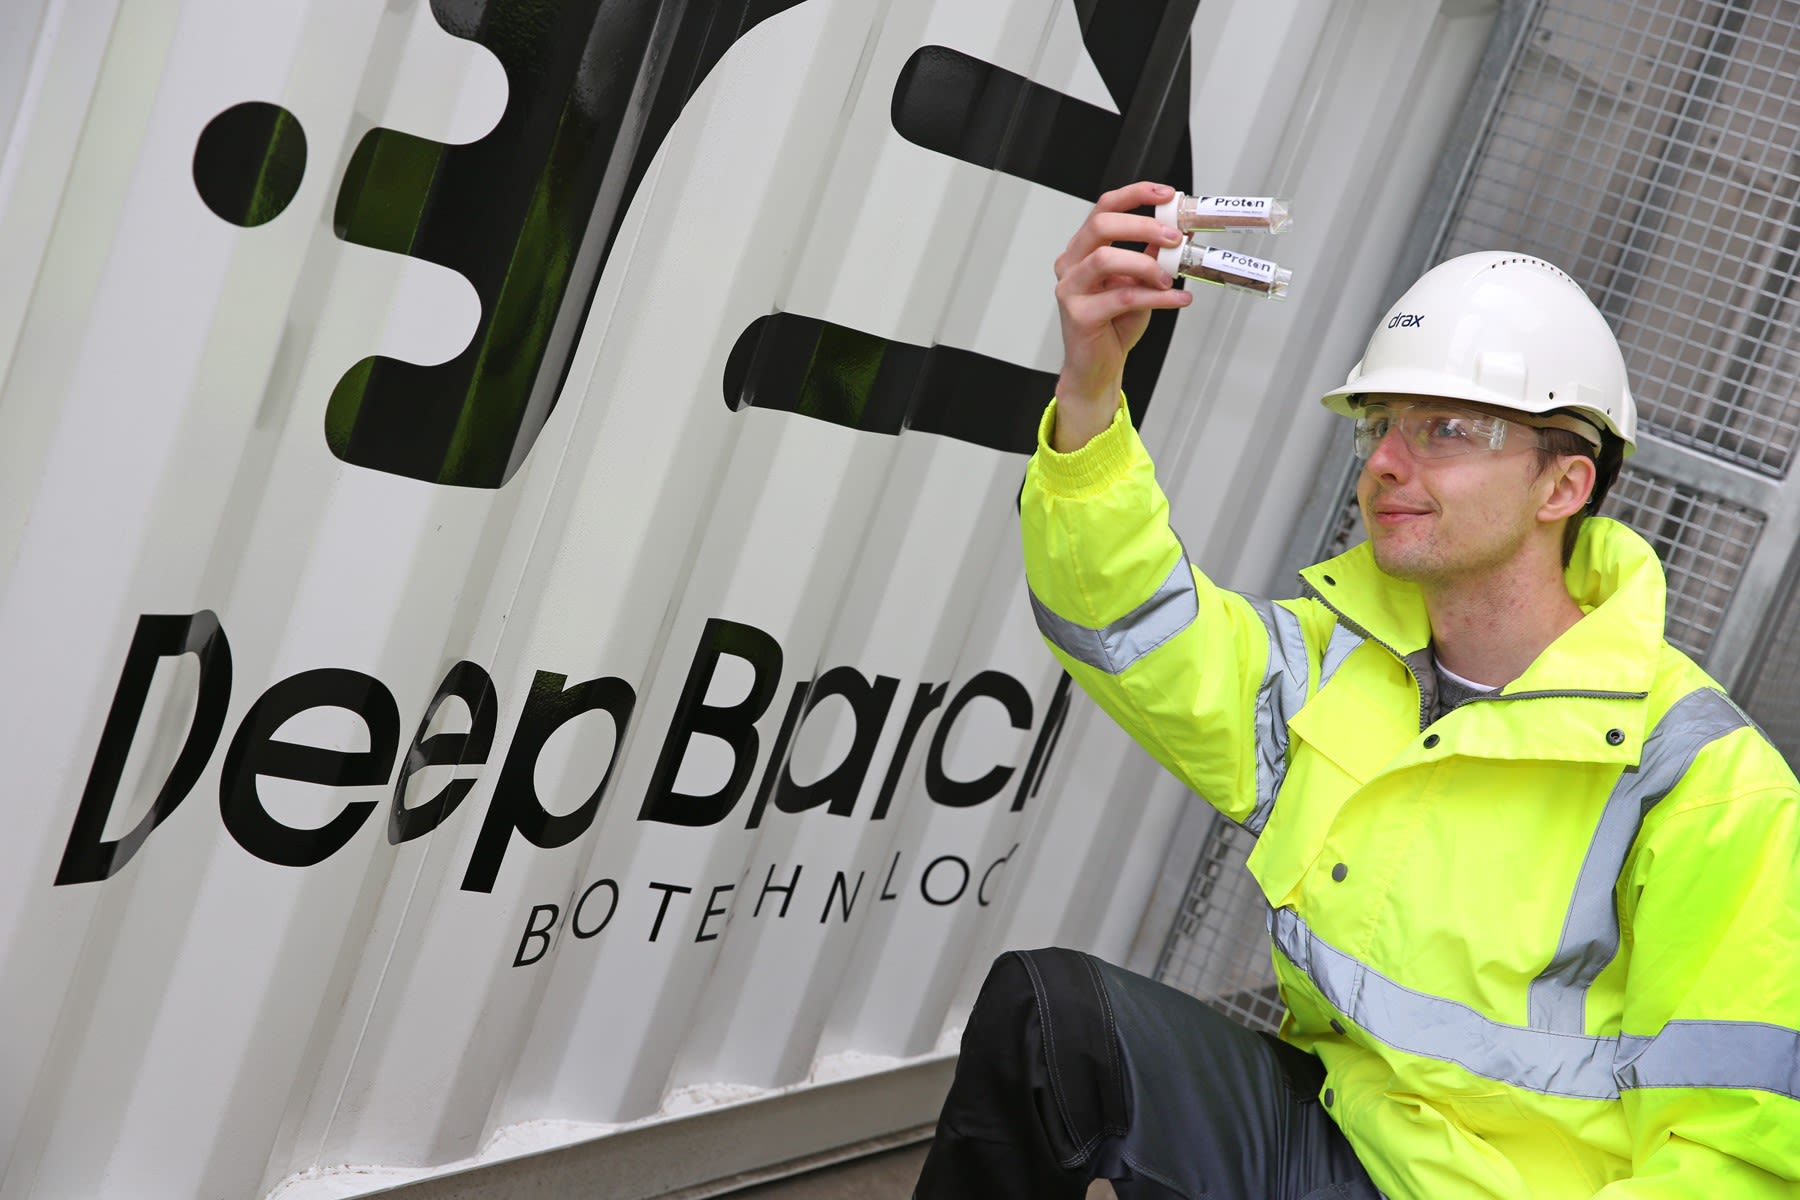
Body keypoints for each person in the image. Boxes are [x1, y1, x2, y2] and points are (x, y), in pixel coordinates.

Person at [913, 181, 1800, 1198]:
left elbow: (1732, 1162)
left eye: (1448, 430)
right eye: (1381, 424)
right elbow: (1127, 625)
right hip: (1335, 1137)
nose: (1384, 462)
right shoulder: (1342, 664)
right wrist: (1090, 390)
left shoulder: (1708, 788)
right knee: (1055, 1021)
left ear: (1564, 485)